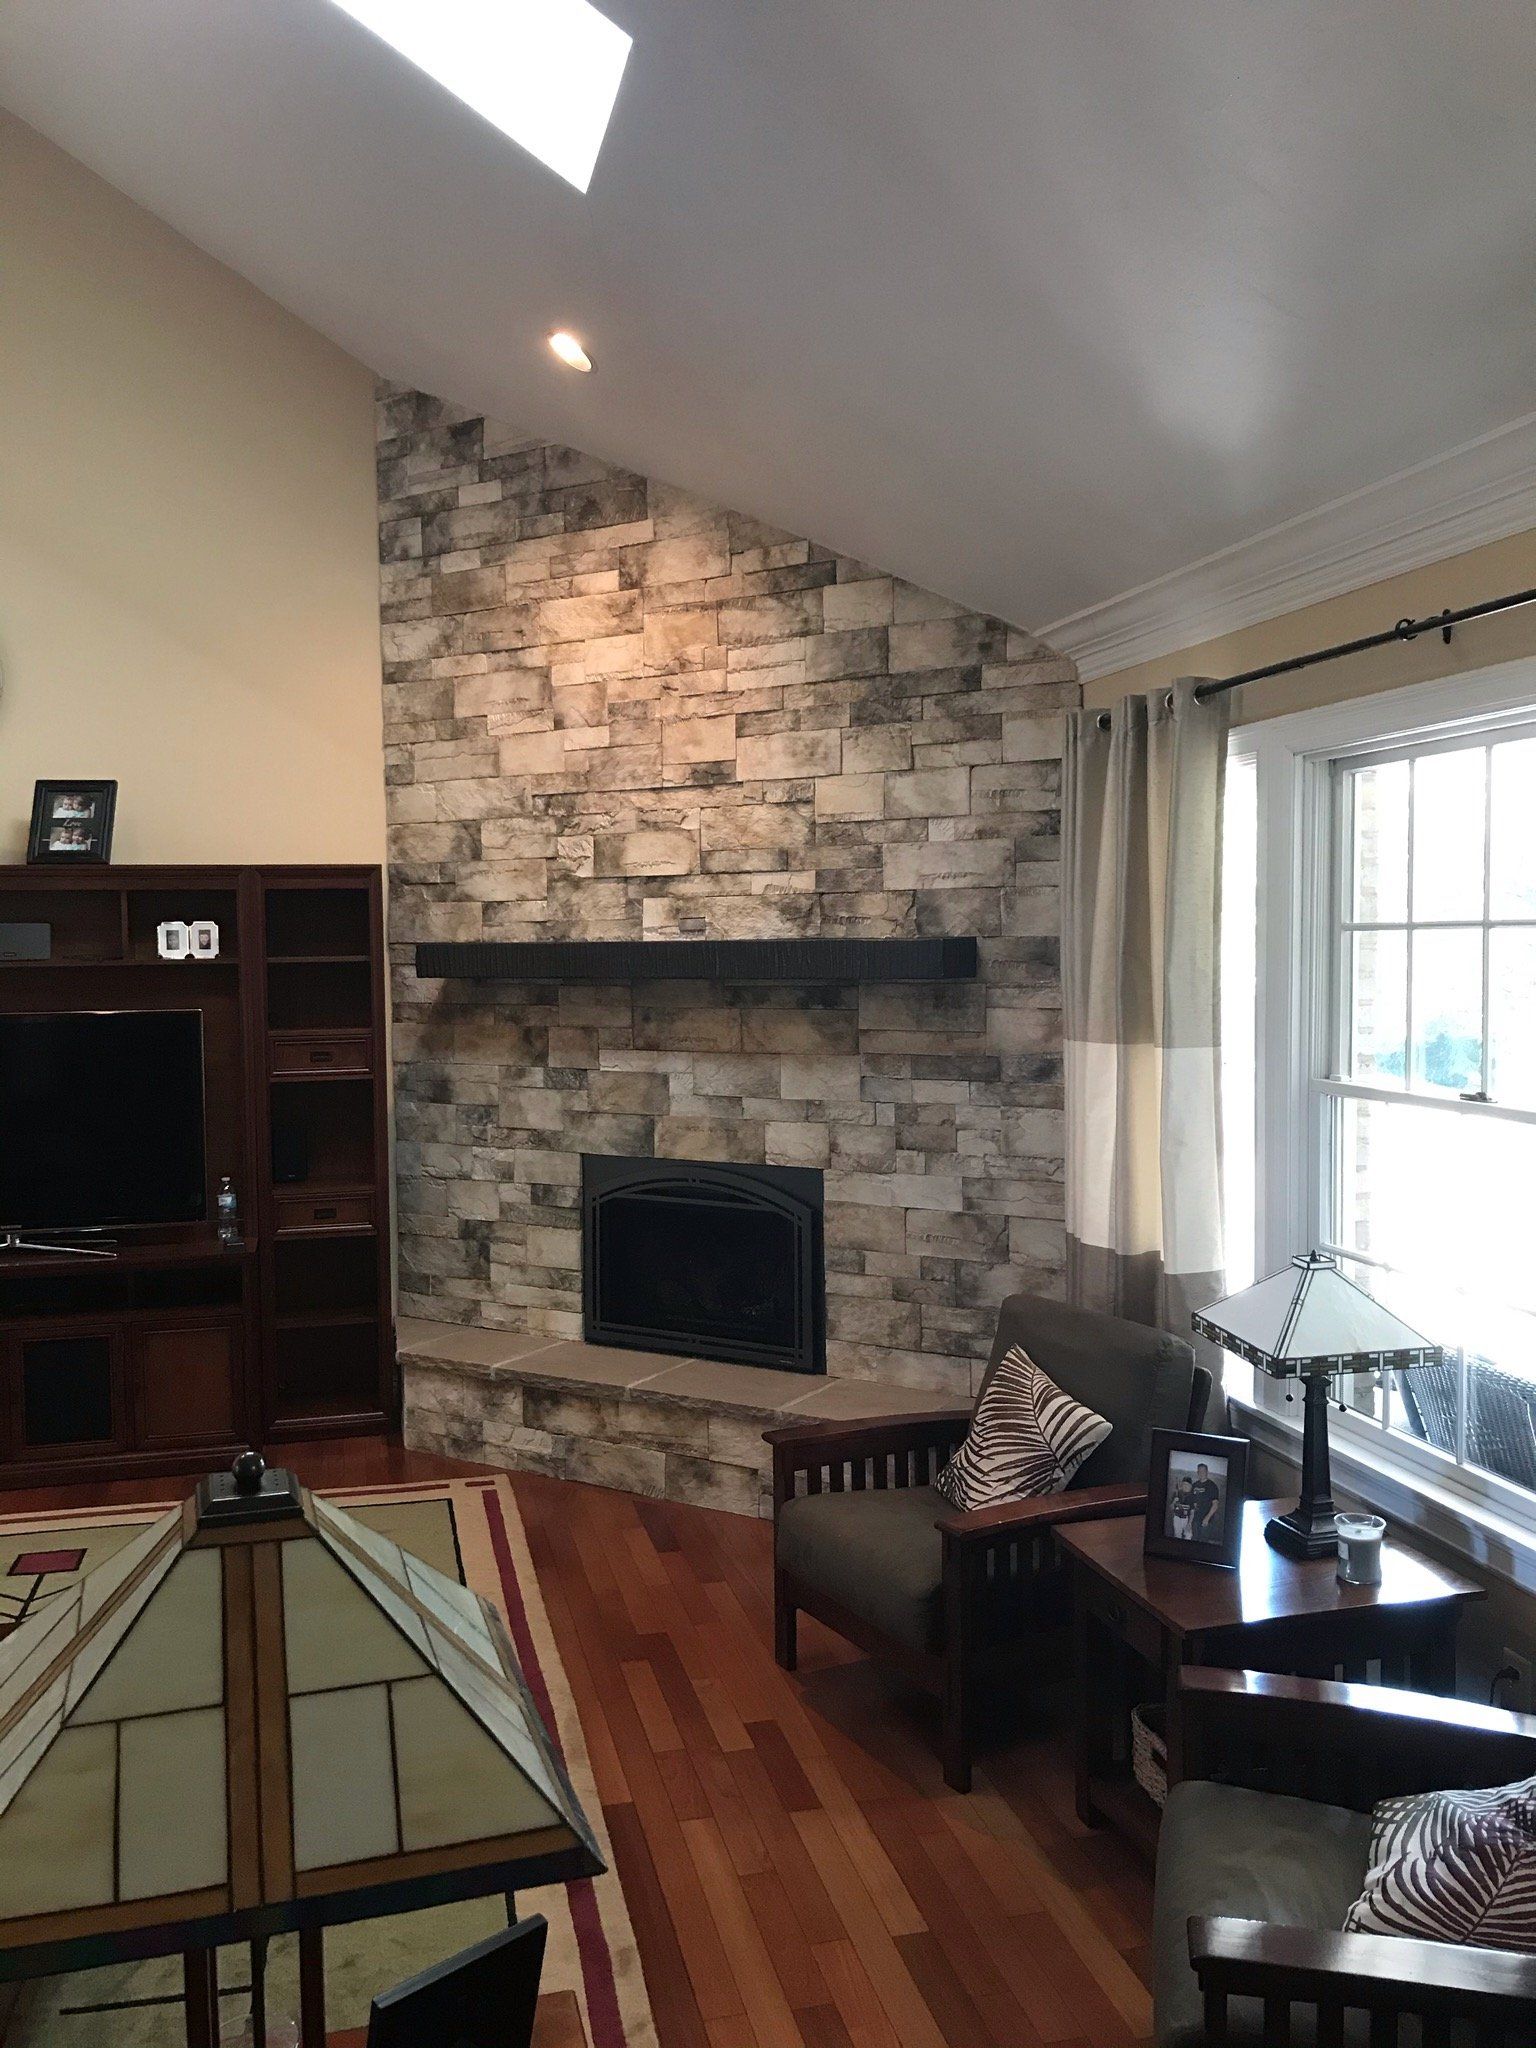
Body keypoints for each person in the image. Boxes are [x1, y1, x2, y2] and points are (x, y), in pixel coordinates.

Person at [1188, 1461, 1223, 1541]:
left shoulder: (1212, 1485)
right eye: (1199, 1471)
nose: (1201, 1473)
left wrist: (1207, 1518)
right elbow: (1192, 1503)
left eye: (1203, 1471)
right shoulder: (1194, 1485)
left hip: (1206, 1519)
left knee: (1203, 1541)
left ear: (1207, 1472)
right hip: (1195, 1519)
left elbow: (1215, 1505)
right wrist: (1190, 1521)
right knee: (1194, 1539)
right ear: (1197, 1472)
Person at [1168, 1475, 1196, 1541]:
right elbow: (1171, 1508)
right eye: (1184, 1484)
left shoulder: (1192, 1496)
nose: (1185, 1486)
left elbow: (1192, 1512)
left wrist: (1189, 1523)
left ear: (1190, 1486)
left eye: (1187, 1485)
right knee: (1177, 1536)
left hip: (1186, 1519)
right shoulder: (1176, 1493)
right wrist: (1174, 1501)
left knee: (1189, 1534)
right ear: (1182, 1485)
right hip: (1177, 1518)